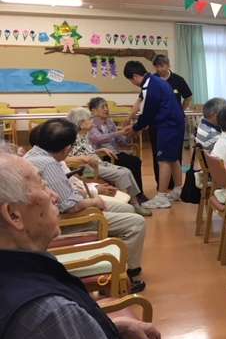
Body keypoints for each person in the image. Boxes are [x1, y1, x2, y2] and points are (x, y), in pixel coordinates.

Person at [0, 150, 210, 339]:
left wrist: (111, 326)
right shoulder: (48, 311)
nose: (54, 196)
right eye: (44, 186)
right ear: (13, 214)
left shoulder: (21, 274)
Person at [24, 118, 147, 293]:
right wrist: (94, 201)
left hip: (55, 213)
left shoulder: (33, 155)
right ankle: (124, 274)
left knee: (127, 209)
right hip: (65, 220)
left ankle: (118, 261)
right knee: (136, 223)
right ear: (67, 148)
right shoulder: (49, 164)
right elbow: (70, 206)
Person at [123, 61, 185, 210]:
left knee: (163, 160)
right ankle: (178, 189)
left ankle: (161, 196)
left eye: (131, 80)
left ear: (135, 76)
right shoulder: (156, 81)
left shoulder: (151, 86)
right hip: (175, 124)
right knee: (173, 158)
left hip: (168, 125)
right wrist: (136, 124)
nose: (133, 84)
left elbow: (148, 113)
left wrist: (135, 127)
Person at [66, 107, 150, 217]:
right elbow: (70, 158)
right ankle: (128, 206)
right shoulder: (72, 138)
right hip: (87, 169)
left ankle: (133, 203)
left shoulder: (84, 135)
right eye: (89, 119)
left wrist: (99, 151)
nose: (92, 121)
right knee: (121, 174)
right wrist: (87, 159)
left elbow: (86, 151)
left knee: (127, 171)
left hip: (97, 163)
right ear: (81, 124)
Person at [88, 97, 146, 199]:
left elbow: (121, 141)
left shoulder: (110, 122)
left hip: (116, 153)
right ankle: (136, 195)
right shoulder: (91, 124)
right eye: (103, 107)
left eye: (106, 106)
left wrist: (129, 135)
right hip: (103, 155)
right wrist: (119, 132)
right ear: (94, 110)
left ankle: (138, 194)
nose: (106, 109)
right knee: (132, 162)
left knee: (135, 161)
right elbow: (98, 139)